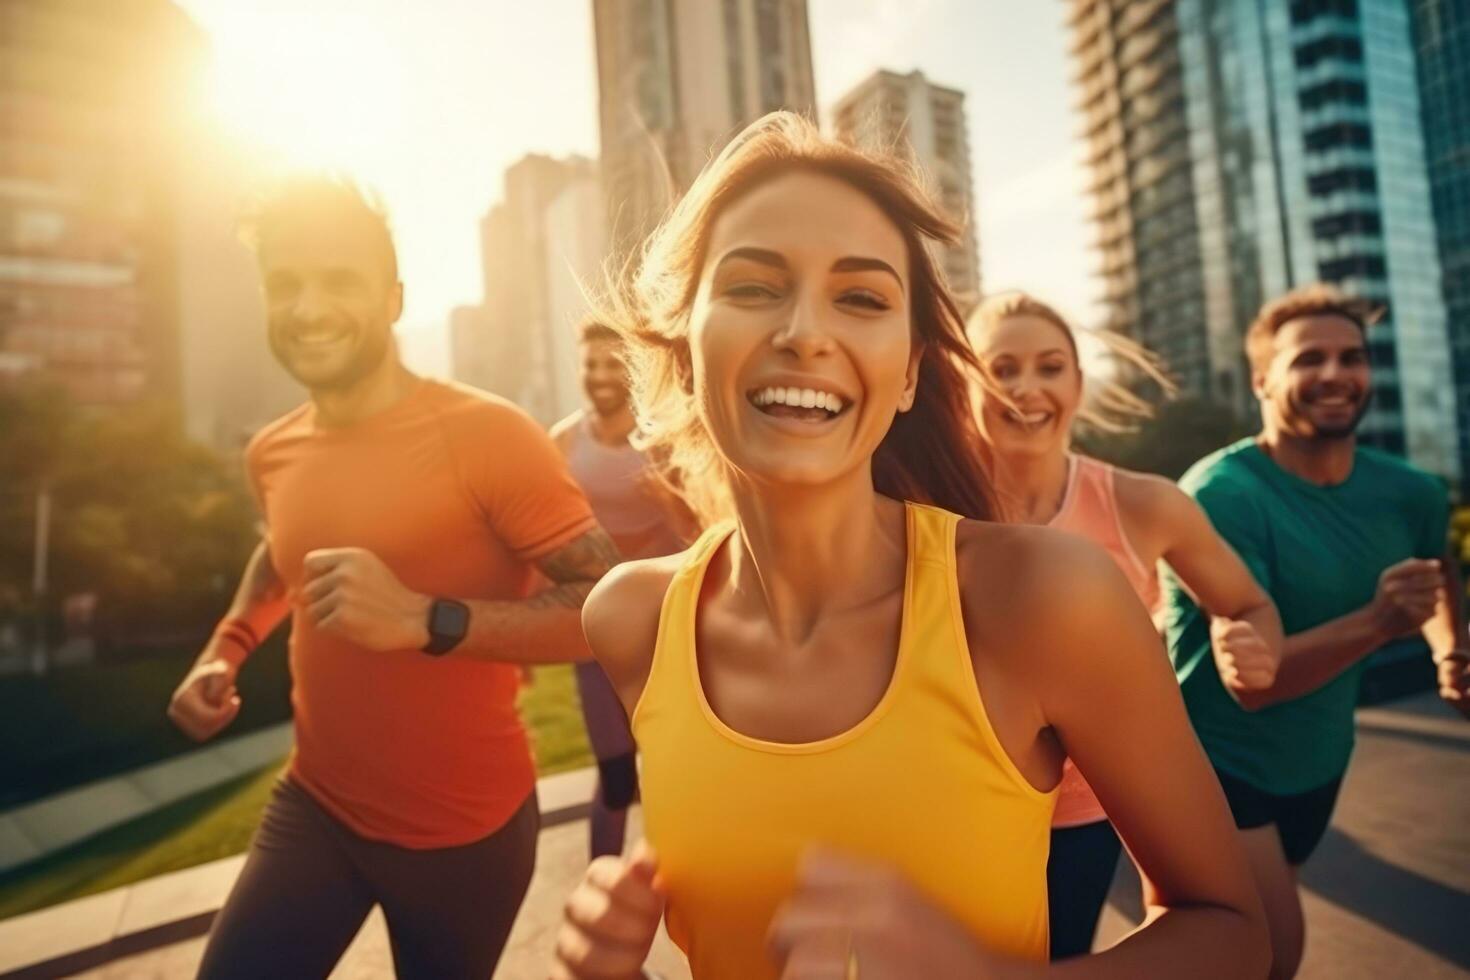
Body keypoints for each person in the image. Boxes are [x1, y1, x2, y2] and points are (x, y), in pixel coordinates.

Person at [550, 112, 1268, 980]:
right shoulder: (630, 618)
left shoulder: (1041, 598)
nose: (805, 333)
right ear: (683, 346)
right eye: (752, 286)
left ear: (910, 373)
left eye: (860, 297)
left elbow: (1232, 931)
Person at [165, 176, 620, 980]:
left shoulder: (491, 437)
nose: (308, 308)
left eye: (339, 280)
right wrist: (226, 648)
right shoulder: (271, 449)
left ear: (394, 297)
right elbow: (280, 554)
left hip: (465, 837)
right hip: (315, 808)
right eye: (286, 284)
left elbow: (607, 607)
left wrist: (427, 619)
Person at [1165, 284, 1470, 979]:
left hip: (1319, 757)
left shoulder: (1410, 491)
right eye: (1309, 360)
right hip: (1213, 760)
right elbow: (1255, 688)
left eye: (1351, 357)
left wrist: (1451, 648)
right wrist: (1378, 622)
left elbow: (1438, 572)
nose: (1334, 374)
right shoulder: (1219, 495)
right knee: (1273, 952)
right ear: (1262, 379)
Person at [967, 291, 1283, 959]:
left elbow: (1248, 605)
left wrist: (1244, 643)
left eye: (1049, 367)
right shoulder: (918, 503)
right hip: (959, 807)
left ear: (1078, 385)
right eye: (1001, 368)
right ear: (966, 381)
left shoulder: (1143, 505)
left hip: (1084, 815)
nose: (1026, 387)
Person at [550, 318, 696, 859]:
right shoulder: (561, 442)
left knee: (672, 771)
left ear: (632, 369)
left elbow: (701, 526)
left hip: (664, 628)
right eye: (591, 364)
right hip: (593, 633)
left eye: (613, 363)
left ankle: (690, 891)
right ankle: (603, 888)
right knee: (615, 776)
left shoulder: (663, 442)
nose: (600, 375)